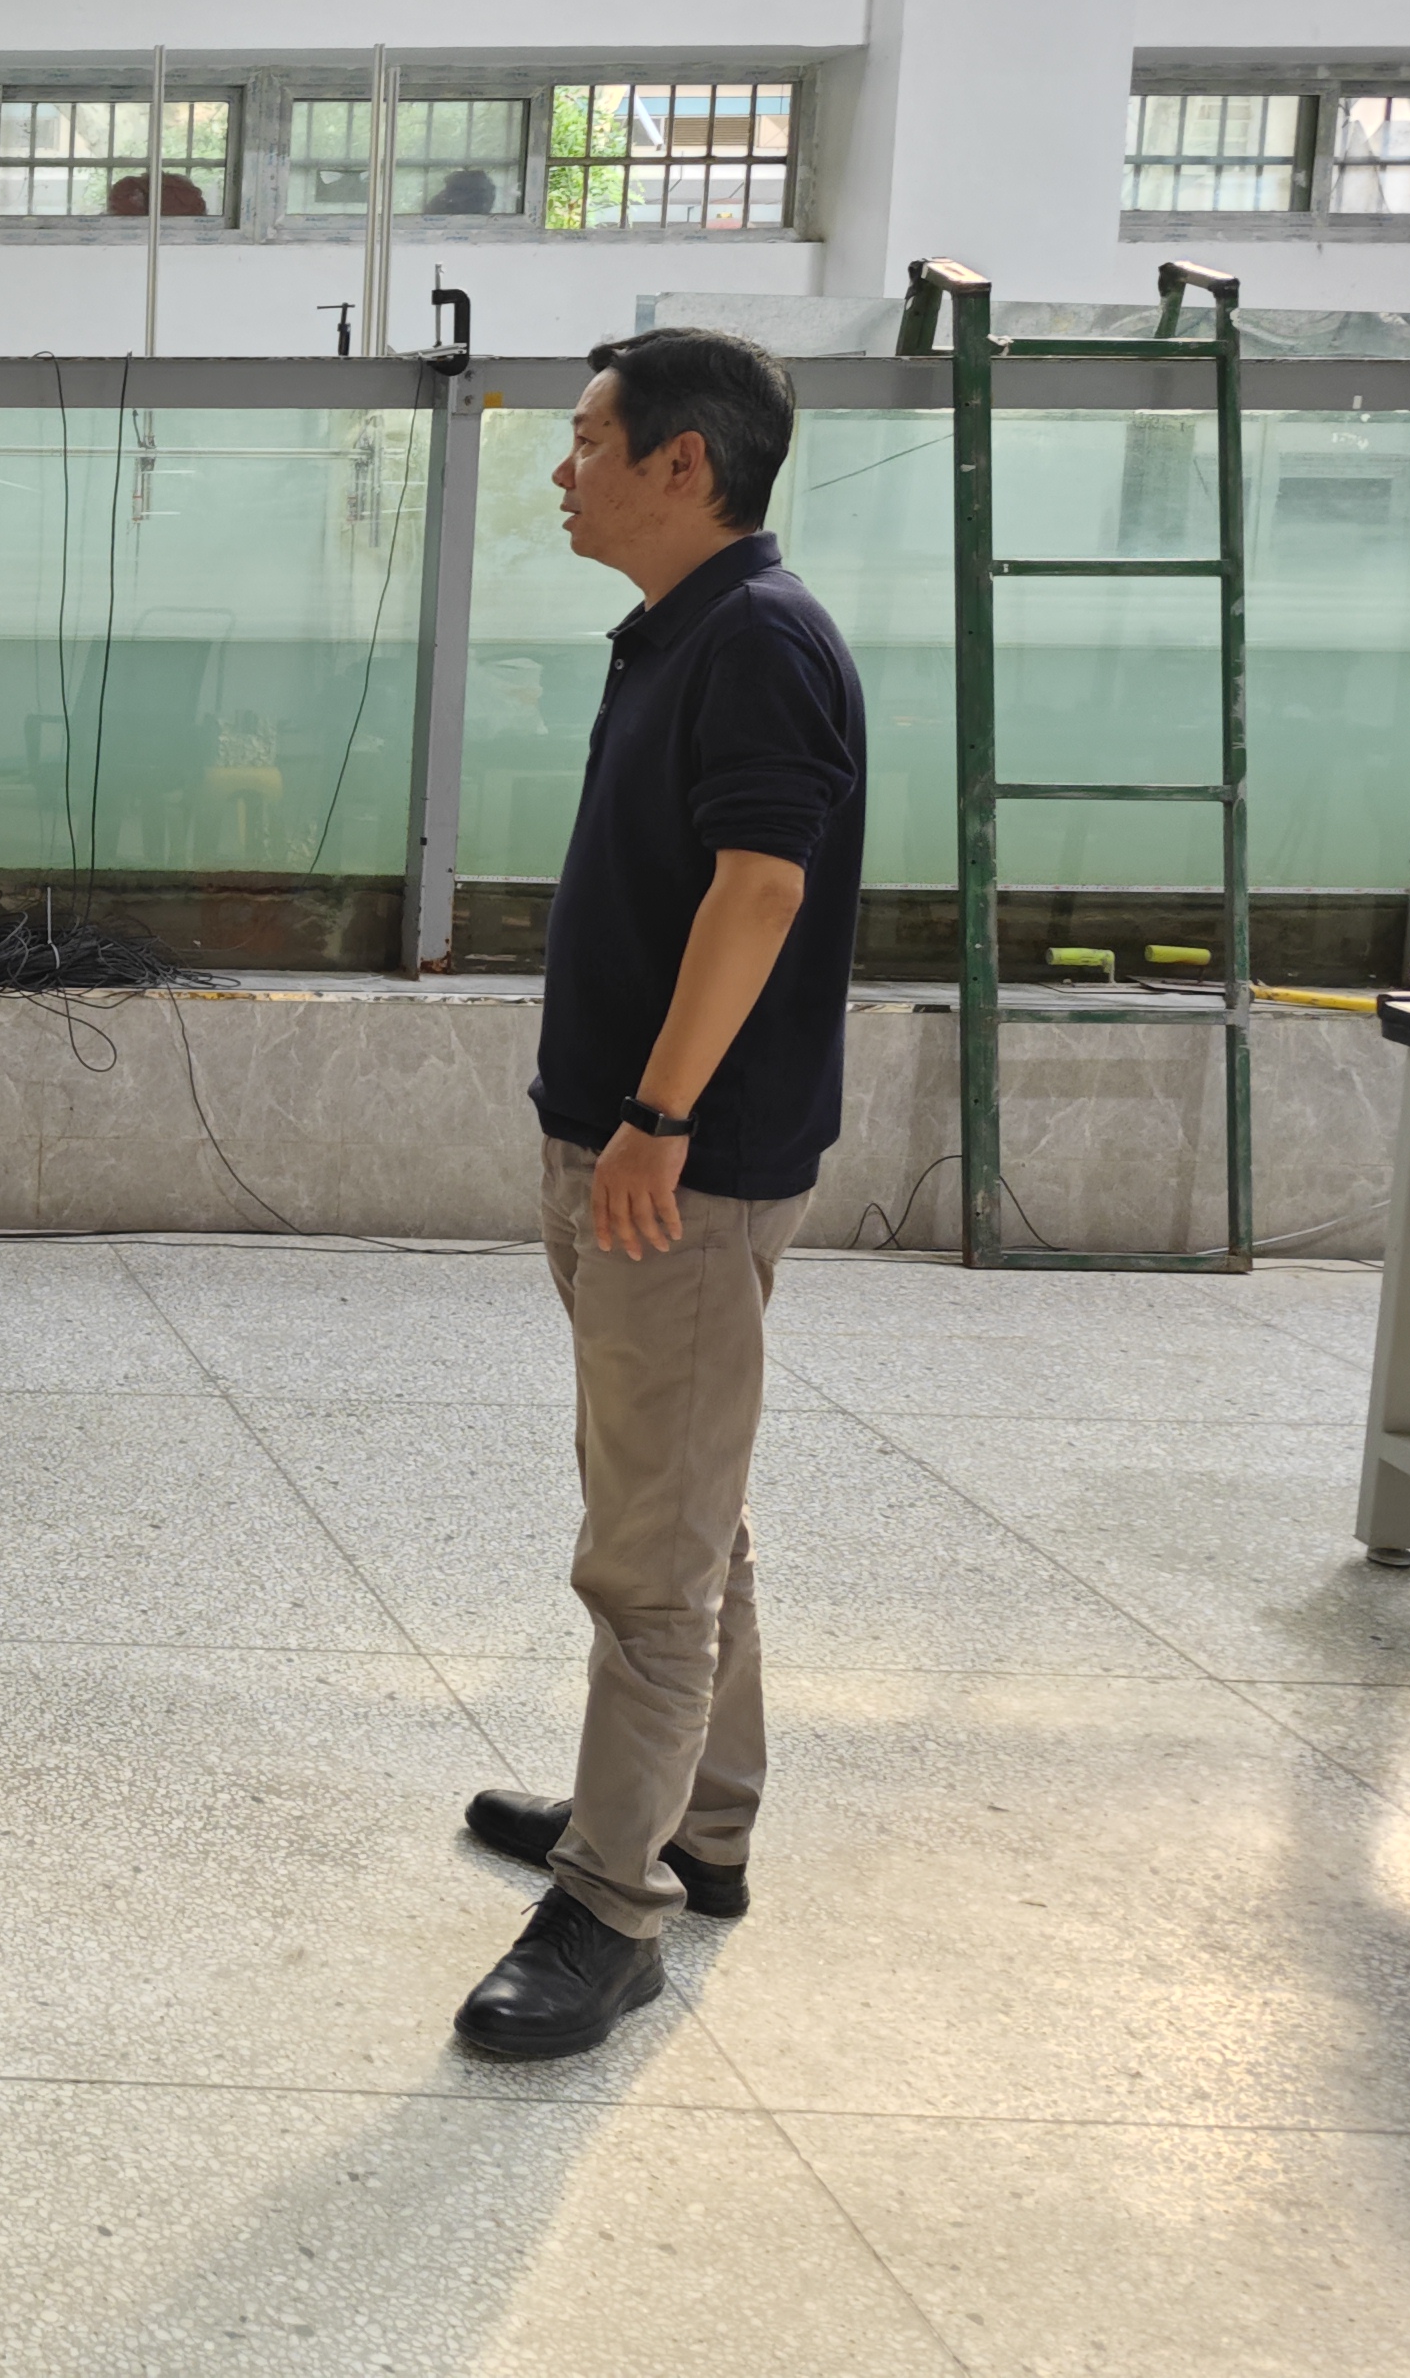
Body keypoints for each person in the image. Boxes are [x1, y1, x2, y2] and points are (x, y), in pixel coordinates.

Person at [451, 328, 866, 2060]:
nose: (564, 470)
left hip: (675, 1168)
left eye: (587, 440)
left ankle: (614, 1906)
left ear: (682, 462)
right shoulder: (684, 628)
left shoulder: (758, 639)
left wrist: (656, 1116)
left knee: (648, 1557)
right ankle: (701, 1821)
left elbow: (760, 891)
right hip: (631, 1150)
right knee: (680, 1506)